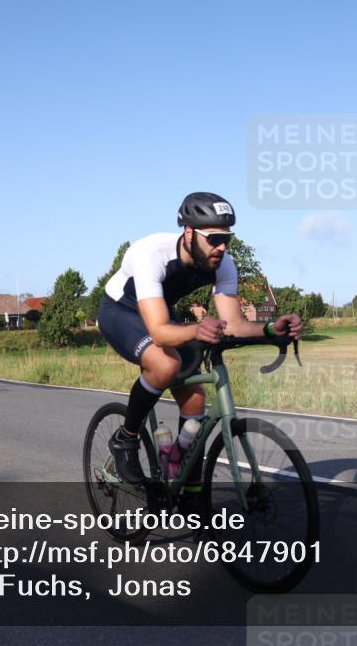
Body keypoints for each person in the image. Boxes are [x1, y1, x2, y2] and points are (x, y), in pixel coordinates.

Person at [98, 192, 302, 494]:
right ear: (189, 232)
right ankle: (125, 437)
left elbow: (234, 324)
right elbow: (159, 333)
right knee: (165, 363)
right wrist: (196, 330)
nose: (222, 247)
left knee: (195, 398)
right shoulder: (150, 253)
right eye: (214, 238)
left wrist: (271, 330)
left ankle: (185, 483)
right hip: (121, 311)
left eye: (227, 240)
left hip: (162, 312)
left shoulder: (223, 264)